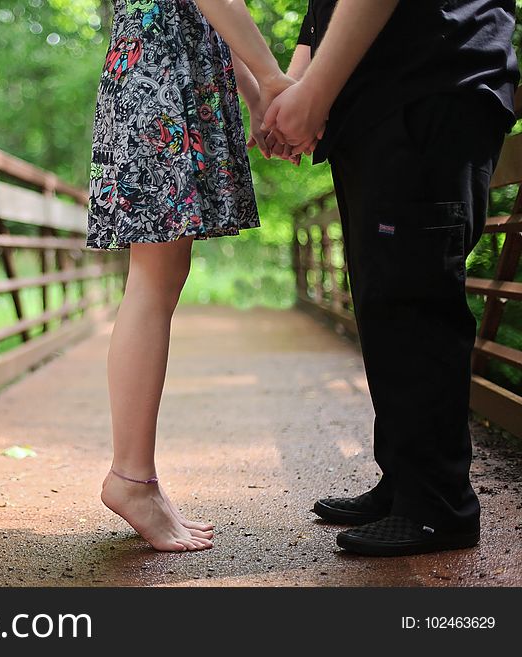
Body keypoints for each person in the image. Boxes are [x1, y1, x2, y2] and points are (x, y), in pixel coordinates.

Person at [264, 0, 519, 556]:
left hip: (432, 80)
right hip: (376, 101)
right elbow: (321, 14)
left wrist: (312, 93)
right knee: (385, 302)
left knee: (414, 299)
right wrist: (295, 90)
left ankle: (438, 508)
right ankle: (406, 482)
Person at [87, 0, 293, 551]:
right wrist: (272, 82)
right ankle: (131, 479)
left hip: (167, 73)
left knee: (160, 277)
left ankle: (136, 478)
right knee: (153, 281)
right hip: (161, 77)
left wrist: (257, 96)